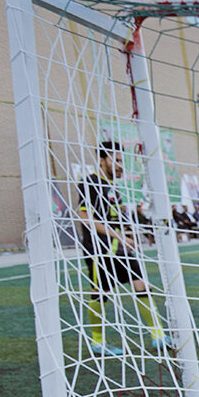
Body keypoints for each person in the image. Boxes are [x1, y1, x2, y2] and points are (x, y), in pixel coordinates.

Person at [75, 142, 172, 356]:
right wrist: (117, 235)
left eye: (121, 161)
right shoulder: (90, 182)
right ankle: (97, 343)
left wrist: (128, 235)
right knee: (100, 293)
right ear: (102, 160)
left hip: (119, 248)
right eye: (116, 160)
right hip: (99, 248)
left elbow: (114, 218)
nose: (120, 166)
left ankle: (158, 336)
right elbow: (84, 217)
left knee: (141, 284)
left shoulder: (113, 187)